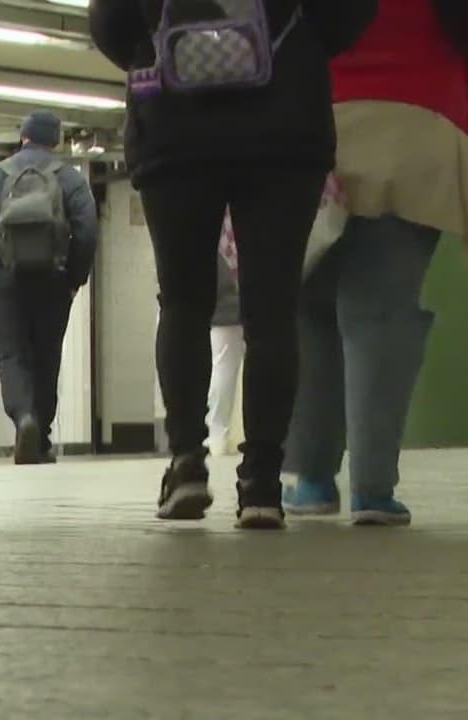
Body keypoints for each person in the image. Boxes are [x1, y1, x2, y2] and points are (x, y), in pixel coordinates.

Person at [89, 0, 377, 528]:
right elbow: (348, 17)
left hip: (174, 129)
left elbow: (109, 22)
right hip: (283, 128)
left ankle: (187, 465)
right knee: (272, 307)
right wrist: (290, 46)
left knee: (182, 302)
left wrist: (157, 46)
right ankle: (263, 481)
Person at [282, 0, 467, 527]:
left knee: (311, 307)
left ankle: (313, 479)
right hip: (418, 126)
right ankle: (372, 488)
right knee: (381, 312)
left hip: (318, 126)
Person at [0, 110, 99, 466]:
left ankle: (23, 417)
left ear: (22, 136)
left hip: (5, 281)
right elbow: (87, 230)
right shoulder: (69, 178)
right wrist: (75, 277)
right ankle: (40, 436)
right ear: (54, 140)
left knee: (12, 356)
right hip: (53, 279)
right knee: (46, 356)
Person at [207, 216, 243, 456]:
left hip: (222, 310)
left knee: (221, 372)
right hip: (248, 306)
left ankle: (217, 435)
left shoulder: (213, 226)